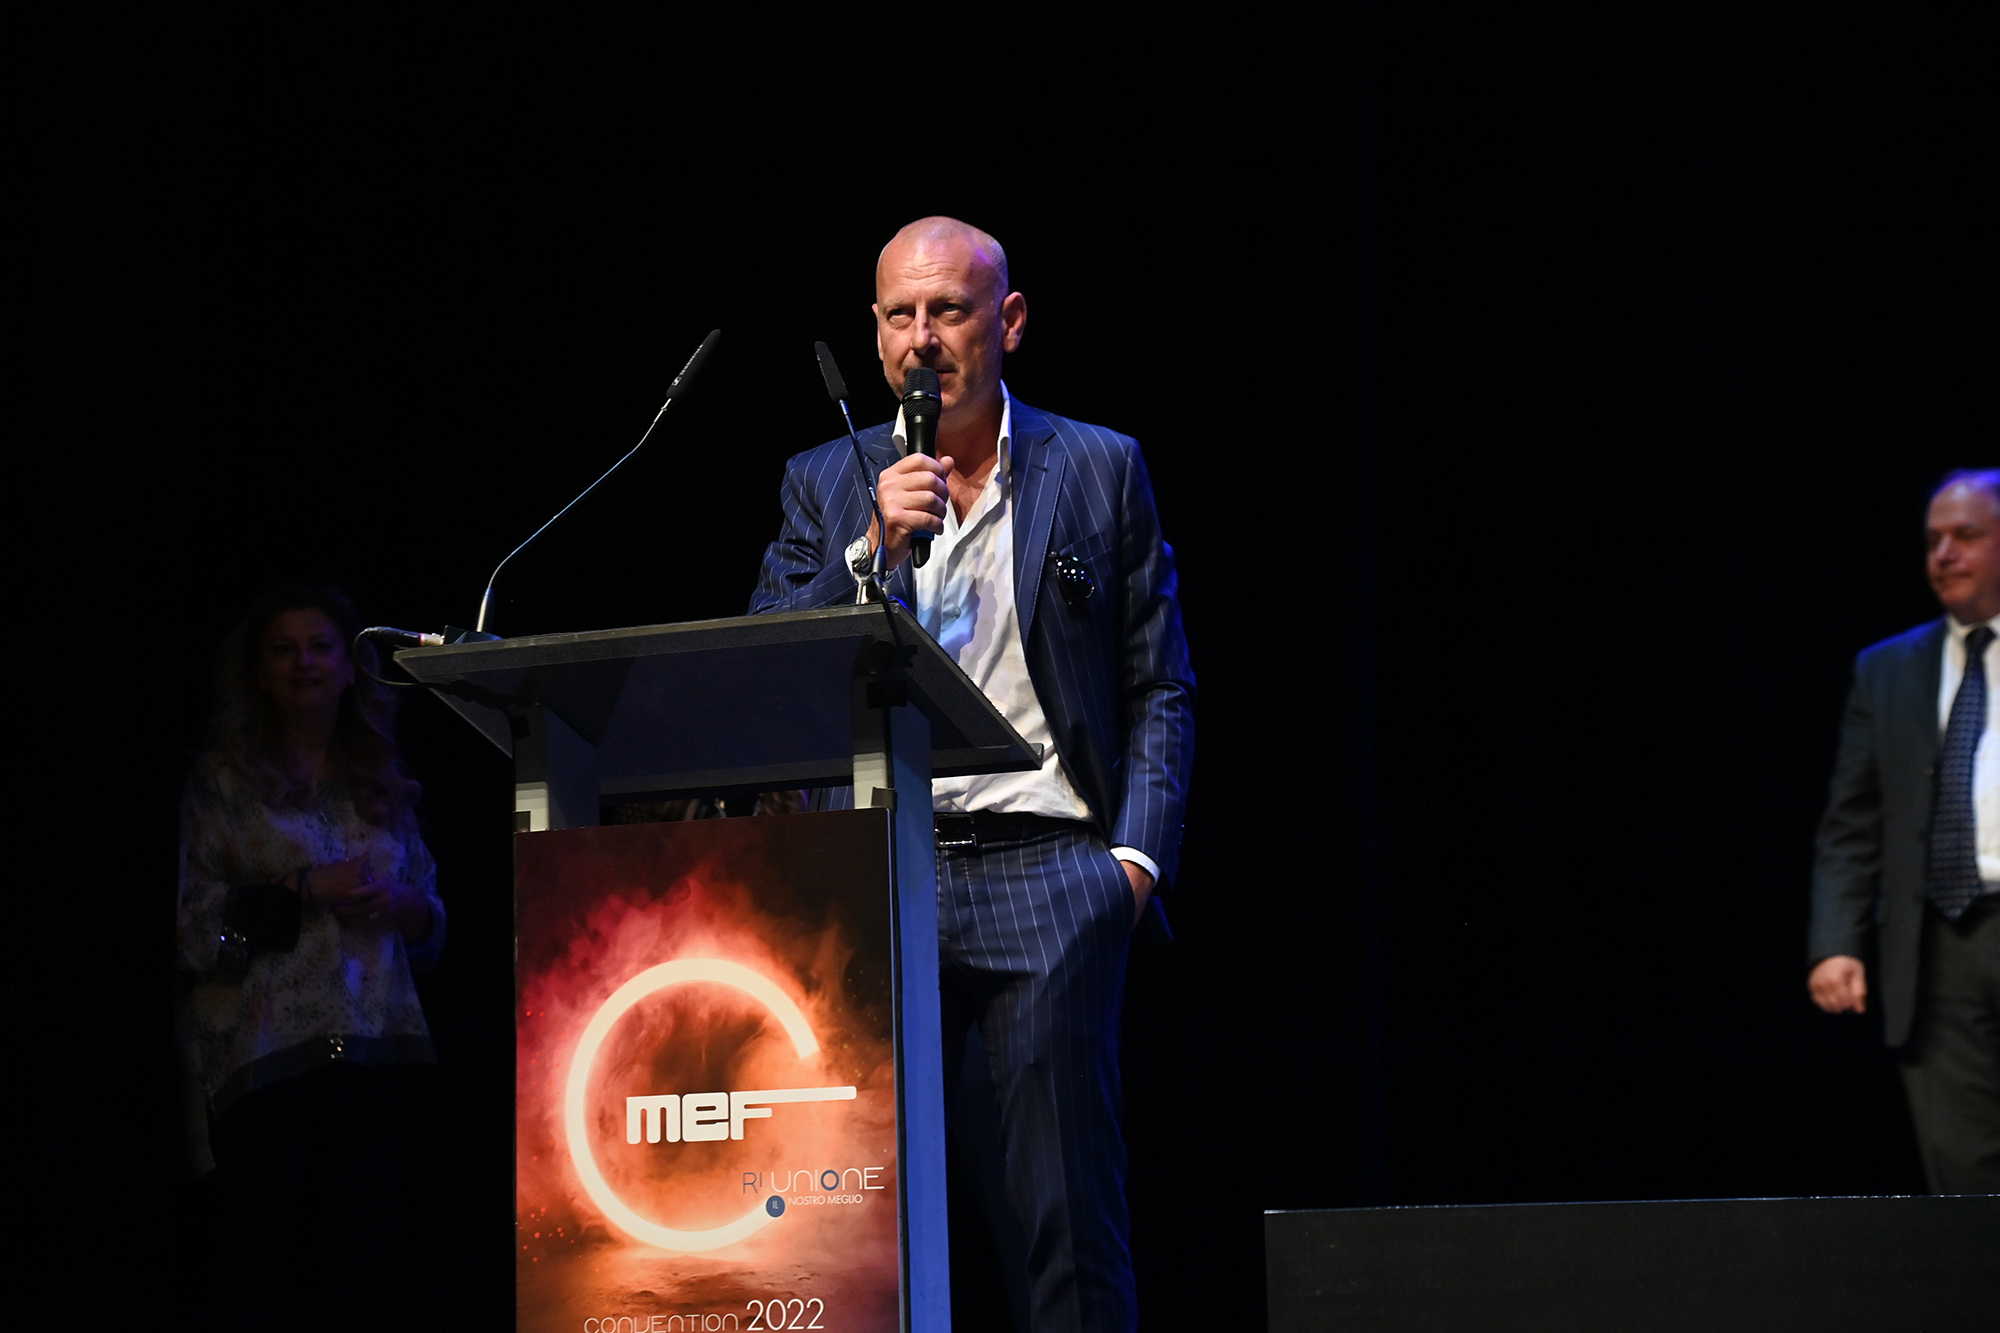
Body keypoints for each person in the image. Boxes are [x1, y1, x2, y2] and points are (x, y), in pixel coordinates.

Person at [750, 217, 1195, 1329]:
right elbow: (766, 665)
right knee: (853, 1223)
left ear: (1008, 322)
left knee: (1064, 1221)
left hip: (1048, 874)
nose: (922, 339)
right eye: (899, 315)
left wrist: (1131, 867)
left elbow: (1159, 685)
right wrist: (869, 550)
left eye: (947, 310)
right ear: (874, 333)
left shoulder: (1096, 466)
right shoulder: (824, 481)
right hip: (872, 876)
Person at [176, 584, 447, 1329]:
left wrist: (404, 905)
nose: (304, 663)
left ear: (350, 666)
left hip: (380, 1056)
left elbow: (431, 913)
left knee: (367, 1275)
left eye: (321, 647)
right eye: (284, 649)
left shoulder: (380, 777)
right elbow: (191, 923)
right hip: (266, 1065)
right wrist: (300, 889)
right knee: (268, 1276)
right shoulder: (223, 781)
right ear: (260, 672)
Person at [1811, 470, 2000, 1195]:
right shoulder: (1887, 668)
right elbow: (1852, 821)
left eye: (1966, 536)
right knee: (1963, 1170)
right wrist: (1836, 940)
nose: (1944, 555)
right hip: (1934, 943)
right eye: (1932, 541)